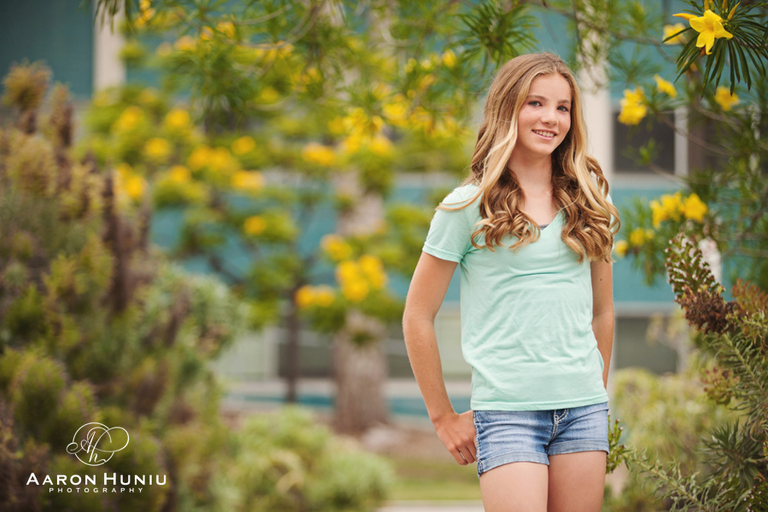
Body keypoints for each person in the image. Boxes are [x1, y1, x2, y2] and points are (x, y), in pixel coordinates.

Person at [401, 52, 620, 512]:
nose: (550, 118)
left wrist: (592, 391)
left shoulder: (590, 204)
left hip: (582, 412)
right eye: (535, 103)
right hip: (507, 414)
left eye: (562, 107)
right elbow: (418, 315)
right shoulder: (466, 207)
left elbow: (602, 311)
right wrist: (442, 417)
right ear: (507, 108)